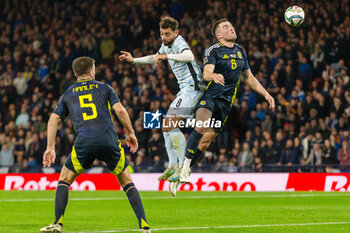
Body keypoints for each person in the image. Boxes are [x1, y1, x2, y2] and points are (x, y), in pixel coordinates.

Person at [40, 57, 151, 233]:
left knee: (65, 179)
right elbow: (120, 110)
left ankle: (57, 223)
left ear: (76, 73)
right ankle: (144, 225)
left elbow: (54, 118)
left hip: (85, 142)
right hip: (109, 141)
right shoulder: (105, 88)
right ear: (91, 71)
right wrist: (130, 133)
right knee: (127, 182)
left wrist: (50, 147)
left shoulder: (68, 93)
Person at [178, 18, 275, 184]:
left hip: (225, 104)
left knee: (204, 143)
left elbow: (248, 77)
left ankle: (181, 172)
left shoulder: (240, 51)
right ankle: (185, 169)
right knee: (200, 127)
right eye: (226, 27)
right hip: (210, 98)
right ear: (219, 35)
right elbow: (206, 73)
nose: (231, 28)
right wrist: (214, 76)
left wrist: (266, 94)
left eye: (231, 25)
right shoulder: (213, 50)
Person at [119, 16, 204, 183]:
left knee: (170, 124)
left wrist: (167, 57)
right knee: (166, 124)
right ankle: (172, 165)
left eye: (167, 34)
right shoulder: (167, 45)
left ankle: (183, 167)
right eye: (162, 34)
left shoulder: (180, 44)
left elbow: (189, 57)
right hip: (185, 90)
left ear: (176, 33)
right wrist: (133, 60)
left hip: (193, 89)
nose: (163, 37)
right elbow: (155, 57)